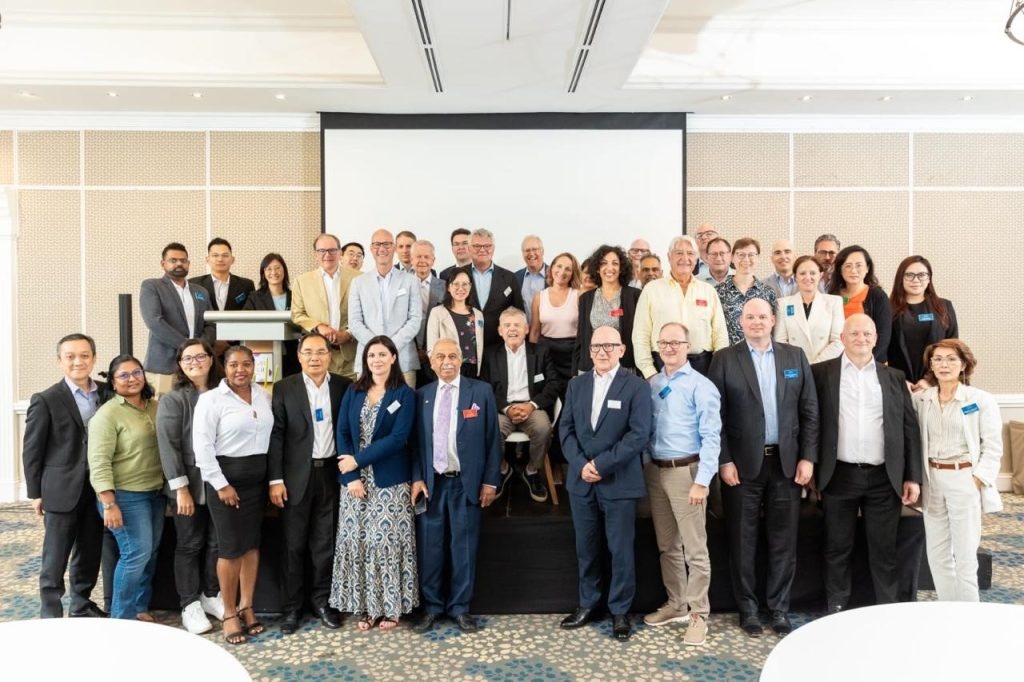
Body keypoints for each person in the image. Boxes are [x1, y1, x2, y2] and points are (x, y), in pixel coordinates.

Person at [707, 298, 818, 636]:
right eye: (749, 317)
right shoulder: (724, 359)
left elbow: (809, 410)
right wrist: (724, 459)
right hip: (741, 466)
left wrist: (808, 457)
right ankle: (749, 609)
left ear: (773, 320)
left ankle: (779, 609)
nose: (756, 322)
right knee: (743, 542)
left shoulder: (794, 356)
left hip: (786, 464)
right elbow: (715, 417)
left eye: (762, 317)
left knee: (783, 541)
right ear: (740, 322)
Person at [811, 314, 922, 614]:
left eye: (867, 334)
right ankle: (836, 606)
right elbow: (810, 424)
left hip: (883, 477)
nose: (861, 339)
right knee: (837, 547)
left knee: (883, 550)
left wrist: (912, 477)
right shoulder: (821, 373)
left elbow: (909, 429)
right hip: (839, 475)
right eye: (855, 333)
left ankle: (885, 609)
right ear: (843, 338)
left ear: (876, 339)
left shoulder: (894, 378)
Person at [559, 326, 652, 641]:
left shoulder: (637, 387)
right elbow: (565, 430)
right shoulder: (576, 385)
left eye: (610, 345)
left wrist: (602, 464)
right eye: (597, 345)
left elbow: (639, 435)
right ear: (589, 350)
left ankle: (620, 612)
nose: (602, 351)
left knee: (620, 550)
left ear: (622, 350)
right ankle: (588, 604)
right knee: (586, 549)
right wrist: (582, 464)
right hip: (581, 481)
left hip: (619, 482)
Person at [411, 338, 501, 634]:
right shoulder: (421, 395)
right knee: (430, 548)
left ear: (461, 360)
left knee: (463, 548)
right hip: (432, 484)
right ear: (431, 362)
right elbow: (414, 444)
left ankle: (461, 608)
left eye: (452, 355)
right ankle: (433, 607)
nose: (446, 361)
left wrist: (490, 480)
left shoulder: (481, 392)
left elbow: (492, 440)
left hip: (466, 483)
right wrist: (417, 477)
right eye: (440, 357)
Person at [331, 336, 419, 630]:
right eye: (371, 355)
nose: (376, 360)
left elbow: (398, 438)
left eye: (382, 354)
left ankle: (391, 609)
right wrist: (352, 475)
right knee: (360, 543)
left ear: (394, 357)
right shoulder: (354, 391)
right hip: (355, 482)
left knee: (386, 544)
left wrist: (359, 460)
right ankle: (367, 608)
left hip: (389, 480)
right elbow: (342, 432)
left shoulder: (404, 395)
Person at [268, 332, 352, 634]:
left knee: (324, 543)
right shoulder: (284, 388)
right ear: (299, 356)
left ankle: (322, 603)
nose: (315, 358)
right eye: (308, 352)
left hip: (331, 474)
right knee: (292, 546)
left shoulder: (344, 387)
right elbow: (276, 436)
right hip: (294, 479)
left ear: (330, 355)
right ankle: (291, 609)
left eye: (321, 352)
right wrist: (275, 479)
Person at [643, 322, 720, 646]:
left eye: (676, 342)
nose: (670, 347)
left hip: (687, 473)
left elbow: (712, 438)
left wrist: (702, 482)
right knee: (668, 546)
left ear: (687, 346)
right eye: (664, 342)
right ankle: (677, 604)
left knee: (695, 549)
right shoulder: (653, 383)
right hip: (656, 473)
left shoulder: (702, 386)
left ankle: (699, 615)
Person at [23, 333, 111, 619]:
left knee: (89, 551)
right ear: (60, 361)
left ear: (94, 358)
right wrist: (36, 493)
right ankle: (50, 612)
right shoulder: (46, 399)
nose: (78, 361)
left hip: (97, 488)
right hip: (61, 488)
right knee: (56, 555)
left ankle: (81, 605)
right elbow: (32, 450)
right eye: (70, 356)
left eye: (85, 355)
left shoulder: (106, 393)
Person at [193, 346, 273, 644]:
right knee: (230, 548)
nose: (241, 369)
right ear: (223, 368)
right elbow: (202, 448)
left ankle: (247, 606)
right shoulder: (211, 400)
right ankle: (228, 613)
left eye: (246, 364)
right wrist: (220, 484)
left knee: (251, 546)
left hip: (257, 483)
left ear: (254, 366)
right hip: (225, 483)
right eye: (234, 364)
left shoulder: (264, 396)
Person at [914, 339, 1003, 602]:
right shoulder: (922, 400)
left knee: (965, 555)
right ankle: (947, 610)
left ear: (963, 364)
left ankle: (968, 615)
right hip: (932, 480)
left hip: (964, 478)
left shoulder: (979, 400)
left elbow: (993, 447)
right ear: (930, 365)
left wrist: (977, 480)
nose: (944, 364)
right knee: (938, 554)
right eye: (938, 359)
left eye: (951, 359)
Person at [156, 338, 225, 634]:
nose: (194, 362)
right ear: (181, 365)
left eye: (200, 356)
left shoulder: (225, 392)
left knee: (215, 542)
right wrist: (180, 488)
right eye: (188, 358)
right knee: (190, 544)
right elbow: (168, 446)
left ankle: (210, 595)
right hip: (188, 485)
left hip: (221, 482)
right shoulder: (174, 399)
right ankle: (189, 604)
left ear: (211, 359)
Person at [88, 354, 163, 621]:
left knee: (149, 553)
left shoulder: (154, 406)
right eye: (124, 375)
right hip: (125, 496)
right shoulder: (107, 415)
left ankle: (140, 608)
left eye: (137, 373)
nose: (132, 379)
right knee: (135, 555)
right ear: (112, 381)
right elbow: (98, 462)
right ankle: (121, 617)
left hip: (155, 492)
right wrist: (109, 503)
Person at [482, 308, 564, 503]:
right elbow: (485, 388)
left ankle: (532, 469)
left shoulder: (541, 352)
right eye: (507, 325)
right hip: (503, 409)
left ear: (526, 329)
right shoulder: (490, 354)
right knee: (490, 429)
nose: (512, 329)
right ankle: (502, 468)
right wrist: (507, 408)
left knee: (543, 428)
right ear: (500, 330)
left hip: (532, 407)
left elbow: (554, 383)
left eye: (517, 325)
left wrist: (532, 405)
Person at [635, 236, 728, 378]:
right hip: (661, 366)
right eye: (679, 253)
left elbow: (720, 335)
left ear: (696, 258)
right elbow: (640, 335)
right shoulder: (651, 290)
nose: (685, 258)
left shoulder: (708, 291)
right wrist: (650, 373)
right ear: (669, 256)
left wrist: (717, 371)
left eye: (690, 253)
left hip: (703, 367)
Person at [348, 228, 422, 387]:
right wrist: (377, 349)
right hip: (368, 361)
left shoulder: (410, 281)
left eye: (387, 244)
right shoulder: (358, 283)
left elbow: (415, 320)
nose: (382, 248)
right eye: (377, 244)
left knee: (404, 409)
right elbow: (354, 322)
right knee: (368, 409)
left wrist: (390, 346)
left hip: (403, 360)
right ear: (371, 249)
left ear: (394, 248)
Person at [140, 242, 215, 394]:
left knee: (196, 413)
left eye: (183, 260)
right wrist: (188, 348)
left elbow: (211, 323)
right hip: (164, 367)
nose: (179, 264)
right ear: (163, 263)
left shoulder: (200, 291)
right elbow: (154, 322)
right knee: (163, 413)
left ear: (188, 263)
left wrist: (199, 348)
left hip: (197, 367)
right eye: (173, 260)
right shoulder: (152, 286)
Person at [291, 233, 359, 378]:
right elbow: (297, 314)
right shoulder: (302, 281)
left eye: (332, 250)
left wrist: (348, 333)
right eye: (322, 251)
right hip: (318, 355)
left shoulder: (359, 278)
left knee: (351, 398)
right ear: (315, 254)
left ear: (340, 253)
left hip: (351, 354)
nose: (327, 254)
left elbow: (368, 312)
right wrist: (319, 327)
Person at [889, 256, 959, 391]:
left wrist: (929, 380)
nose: (916, 280)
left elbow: (953, 348)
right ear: (900, 278)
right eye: (909, 275)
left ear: (929, 278)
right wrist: (901, 381)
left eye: (921, 275)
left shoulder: (944, 307)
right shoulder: (887, 309)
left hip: (937, 383)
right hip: (898, 385)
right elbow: (880, 353)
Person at [574, 245, 640, 375]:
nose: (610, 268)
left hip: (624, 366)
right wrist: (575, 372)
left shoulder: (634, 296)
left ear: (621, 268)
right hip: (591, 366)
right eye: (604, 263)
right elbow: (581, 338)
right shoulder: (586, 299)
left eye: (615, 263)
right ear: (597, 269)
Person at [459, 228, 525, 353]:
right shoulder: (458, 275)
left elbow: (519, 313)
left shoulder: (509, 278)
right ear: (469, 249)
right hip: (466, 345)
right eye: (477, 246)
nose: (482, 249)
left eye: (487, 246)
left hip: (500, 346)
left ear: (493, 248)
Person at [773, 255, 845, 363]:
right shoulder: (783, 304)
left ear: (820, 275)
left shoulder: (834, 302)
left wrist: (814, 365)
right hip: (795, 366)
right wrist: (802, 365)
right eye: (802, 273)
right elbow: (780, 341)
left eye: (812, 273)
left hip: (825, 366)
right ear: (795, 277)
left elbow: (838, 341)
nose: (807, 277)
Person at [829, 245, 891, 363]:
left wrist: (865, 363)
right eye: (848, 266)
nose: (853, 271)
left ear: (867, 268)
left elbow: (883, 337)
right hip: (838, 364)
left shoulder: (877, 296)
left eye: (859, 265)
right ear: (840, 269)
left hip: (870, 364)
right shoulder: (832, 296)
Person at [243, 252, 299, 377]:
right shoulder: (255, 297)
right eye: (269, 269)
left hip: (293, 354)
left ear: (284, 270)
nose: (274, 272)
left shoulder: (295, 295)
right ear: (263, 273)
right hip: (263, 354)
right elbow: (246, 323)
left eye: (278, 268)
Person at [529, 252, 580, 386]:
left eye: (568, 269)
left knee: (570, 394)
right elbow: (534, 331)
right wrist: (533, 360)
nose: (562, 272)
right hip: (546, 353)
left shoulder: (578, 295)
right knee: (547, 394)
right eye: (559, 266)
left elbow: (583, 331)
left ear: (573, 273)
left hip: (571, 355)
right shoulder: (539, 297)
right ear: (551, 268)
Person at [716, 238, 778, 346]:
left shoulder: (768, 292)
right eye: (741, 254)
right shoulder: (718, 291)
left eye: (751, 255)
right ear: (732, 258)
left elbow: (773, 329)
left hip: (760, 355)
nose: (746, 259)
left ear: (758, 258)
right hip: (729, 355)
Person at [425, 269, 484, 377]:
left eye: (465, 284)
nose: (460, 288)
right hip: (447, 368)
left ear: (470, 287)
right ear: (448, 287)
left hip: (473, 370)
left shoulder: (478, 314)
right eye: (456, 284)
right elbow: (431, 348)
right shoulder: (437, 312)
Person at [189, 237, 255, 313]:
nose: (220, 259)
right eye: (215, 255)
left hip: (235, 325)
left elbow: (251, 312)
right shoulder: (194, 284)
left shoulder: (246, 285)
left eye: (225, 255)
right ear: (207, 259)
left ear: (232, 259)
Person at [412, 240, 446, 386]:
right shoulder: (402, 285)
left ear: (433, 260)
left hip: (435, 352)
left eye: (427, 257)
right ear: (411, 259)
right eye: (418, 257)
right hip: (408, 352)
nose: (422, 261)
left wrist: (428, 349)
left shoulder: (445, 286)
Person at [515, 235, 548, 324]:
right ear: (522, 254)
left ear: (542, 251)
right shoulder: (515, 277)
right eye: (527, 250)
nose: (531, 253)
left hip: (548, 334)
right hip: (523, 333)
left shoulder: (554, 275)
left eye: (534, 249)